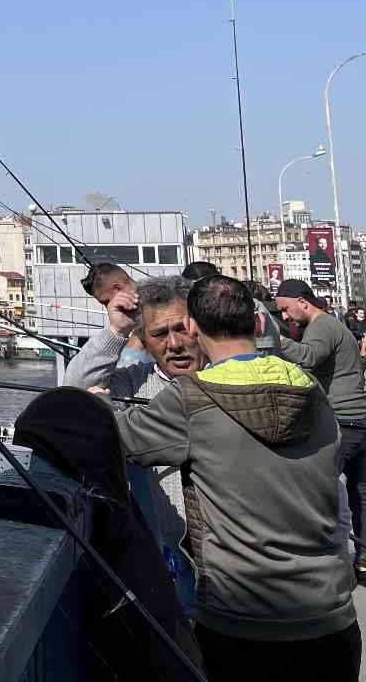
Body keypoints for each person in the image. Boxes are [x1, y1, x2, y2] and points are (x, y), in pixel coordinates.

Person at [115, 274, 358, 679]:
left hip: (238, 624)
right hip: (330, 620)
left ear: (192, 327)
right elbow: (336, 491)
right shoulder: (312, 390)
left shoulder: (190, 399)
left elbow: (113, 439)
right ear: (260, 324)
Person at [66, 275, 204, 600]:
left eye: (181, 329)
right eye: (159, 333)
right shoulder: (134, 382)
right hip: (168, 564)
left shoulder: (226, 377)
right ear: (144, 339)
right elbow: (74, 388)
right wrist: (117, 329)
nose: (174, 344)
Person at [273, 277, 366, 579]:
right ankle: (363, 560)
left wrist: (274, 337)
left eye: (286, 310)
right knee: (360, 493)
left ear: (303, 302)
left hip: (342, 421)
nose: (285, 317)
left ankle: (329, 565)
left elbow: (309, 357)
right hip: (359, 421)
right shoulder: (334, 325)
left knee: (319, 490)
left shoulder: (322, 326)